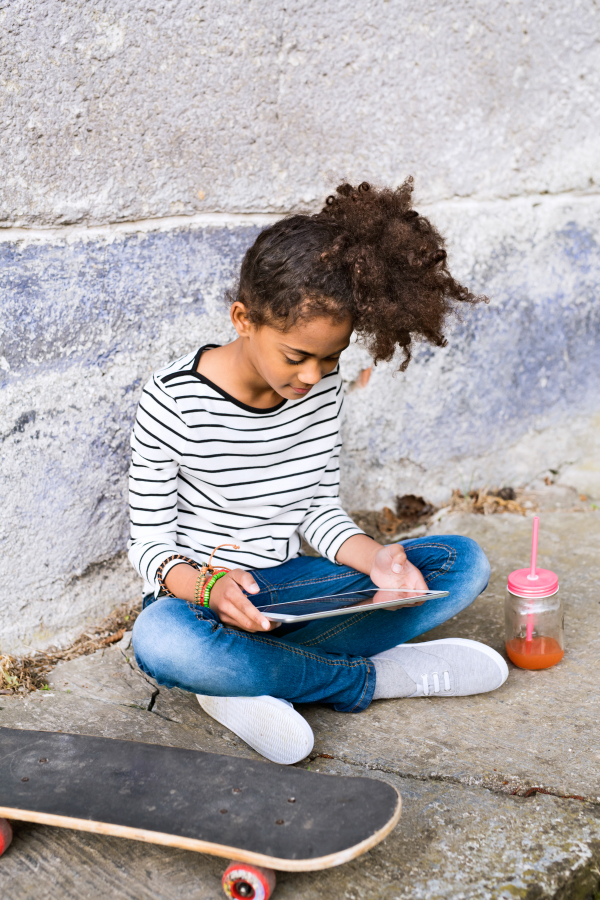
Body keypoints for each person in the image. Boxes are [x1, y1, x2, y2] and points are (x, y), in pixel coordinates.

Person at [130, 179, 507, 764]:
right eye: (296, 356)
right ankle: (370, 679)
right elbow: (150, 548)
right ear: (243, 319)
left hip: (294, 592)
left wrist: (376, 558)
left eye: (330, 357)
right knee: (159, 641)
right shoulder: (171, 401)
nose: (312, 376)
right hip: (203, 601)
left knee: (461, 564)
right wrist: (210, 587)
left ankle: (246, 681)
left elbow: (316, 510)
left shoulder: (317, 390)